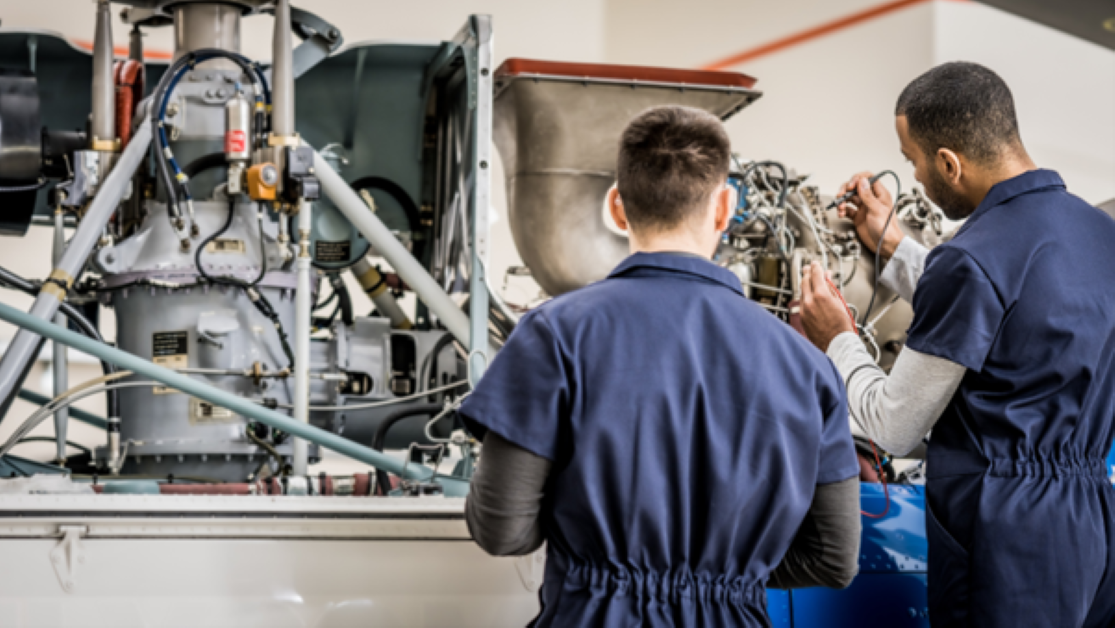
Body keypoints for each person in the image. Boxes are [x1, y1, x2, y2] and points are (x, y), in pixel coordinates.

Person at [461, 105, 861, 627]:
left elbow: (502, 530)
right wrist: (723, 578)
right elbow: (834, 558)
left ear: (617, 207)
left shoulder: (554, 334)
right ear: (724, 209)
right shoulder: (808, 367)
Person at [799, 61, 1115, 627]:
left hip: (1007, 534)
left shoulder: (971, 257)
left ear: (949, 162)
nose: (916, 178)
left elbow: (893, 426)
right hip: (1093, 517)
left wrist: (838, 340)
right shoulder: (1097, 234)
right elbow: (1015, 311)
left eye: (913, 162)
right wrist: (895, 249)